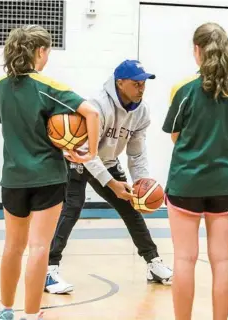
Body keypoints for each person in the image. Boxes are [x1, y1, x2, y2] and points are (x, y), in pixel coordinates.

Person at [0, 25, 100, 320]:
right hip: (47, 177)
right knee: (39, 247)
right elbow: (92, 112)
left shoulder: (0, 87)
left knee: (12, 247)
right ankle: (31, 313)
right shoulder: (48, 86)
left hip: (13, 178)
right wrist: (89, 150)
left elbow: (19, 129)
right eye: (48, 51)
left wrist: (60, 142)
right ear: (40, 51)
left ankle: (3, 309)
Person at [44, 60, 174, 294]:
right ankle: (48, 269)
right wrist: (111, 183)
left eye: (143, 83)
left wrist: (141, 184)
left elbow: (136, 152)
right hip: (80, 157)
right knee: (73, 206)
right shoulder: (98, 105)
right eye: (136, 84)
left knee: (129, 207)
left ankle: (153, 263)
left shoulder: (141, 112)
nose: (141, 88)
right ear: (120, 83)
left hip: (107, 160)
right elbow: (87, 151)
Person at [163, 22, 228, 320]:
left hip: (186, 184)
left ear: (197, 50)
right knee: (223, 259)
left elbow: (176, 136)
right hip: (226, 184)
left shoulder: (184, 90)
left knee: (185, 259)